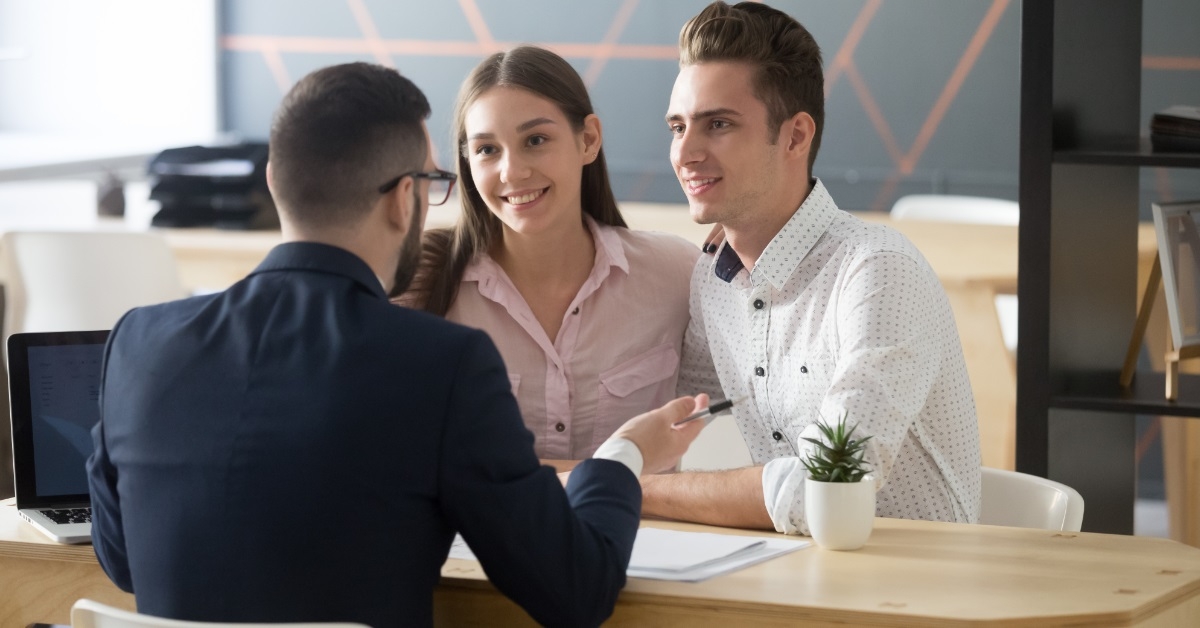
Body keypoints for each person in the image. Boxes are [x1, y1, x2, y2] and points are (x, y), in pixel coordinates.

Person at [86, 62, 707, 627]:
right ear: (406, 197)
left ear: (275, 182)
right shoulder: (440, 363)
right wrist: (622, 455)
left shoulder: (137, 342)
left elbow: (124, 563)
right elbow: (576, 594)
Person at [661, 1, 982, 535]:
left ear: (795, 136)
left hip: (918, 598)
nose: (685, 152)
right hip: (791, 576)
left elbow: (827, 485)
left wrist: (630, 487)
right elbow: (679, 436)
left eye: (718, 124)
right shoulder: (712, 280)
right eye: (677, 126)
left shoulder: (878, 271)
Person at [396, 46, 704, 469]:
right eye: (487, 150)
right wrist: (624, 460)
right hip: (481, 538)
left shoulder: (676, 274)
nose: (512, 171)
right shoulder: (422, 286)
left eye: (535, 140)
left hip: (644, 535)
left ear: (588, 140)